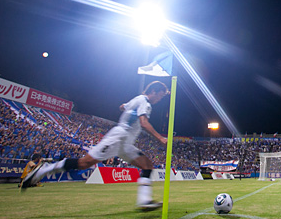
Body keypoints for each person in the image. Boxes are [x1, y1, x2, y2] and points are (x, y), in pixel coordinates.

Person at [21, 81, 170, 210]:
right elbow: (144, 122)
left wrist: (127, 108)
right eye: (161, 95)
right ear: (153, 91)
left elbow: (122, 106)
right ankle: (43, 171)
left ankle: (144, 201)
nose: (160, 98)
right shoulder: (145, 103)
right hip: (119, 137)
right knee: (84, 163)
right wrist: (160, 138)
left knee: (147, 165)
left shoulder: (137, 99)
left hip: (126, 143)